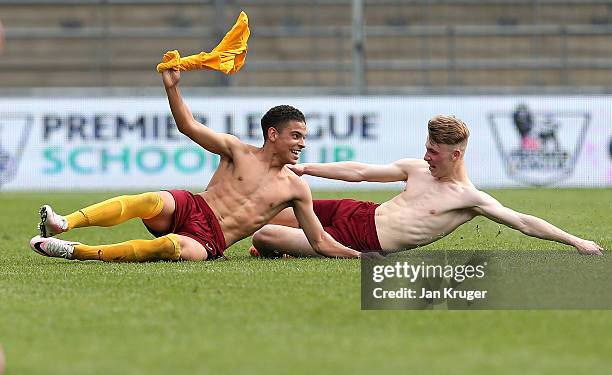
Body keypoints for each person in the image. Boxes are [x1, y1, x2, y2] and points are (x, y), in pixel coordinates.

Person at [29, 69, 359, 261]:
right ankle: (63, 223)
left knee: (169, 247)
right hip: (193, 207)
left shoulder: (296, 187)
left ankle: (76, 251)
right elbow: (188, 126)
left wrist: (360, 256)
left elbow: (318, 240)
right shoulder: (236, 150)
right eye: (296, 136)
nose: (302, 144)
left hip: (211, 240)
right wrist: (172, 87)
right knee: (150, 200)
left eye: (304, 137)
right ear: (273, 134)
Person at [251, 115, 603, 257]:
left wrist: (576, 241)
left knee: (264, 236)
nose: (426, 156)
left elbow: (523, 221)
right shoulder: (417, 168)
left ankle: (276, 249)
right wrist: (309, 169)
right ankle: (213, 239)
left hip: (361, 242)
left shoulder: (469, 198)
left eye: (433, 152)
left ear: (456, 155)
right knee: (270, 211)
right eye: (426, 147)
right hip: (357, 211)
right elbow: (361, 172)